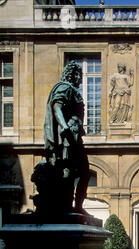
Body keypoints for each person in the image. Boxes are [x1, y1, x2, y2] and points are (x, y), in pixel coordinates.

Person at [43, 61, 90, 215]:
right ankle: (67, 206)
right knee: (68, 170)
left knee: (84, 172)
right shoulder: (65, 87)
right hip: (68, 137)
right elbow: (57, 107)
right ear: (71, 74)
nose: (80, 79)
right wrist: (64, 126)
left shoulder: (72, 90)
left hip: (75, 136)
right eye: (78, 75)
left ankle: (76, 206)